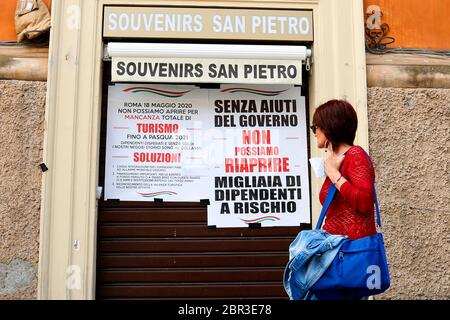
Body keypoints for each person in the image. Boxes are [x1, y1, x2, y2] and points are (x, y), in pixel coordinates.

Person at [310, 99, 377, 240]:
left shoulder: (355, 155)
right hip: (334, 248)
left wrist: (335, 175)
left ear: (328, 126)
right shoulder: (334, 161)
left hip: (353, 252)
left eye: (315, 127)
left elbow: (365, 202)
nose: (314, 132)